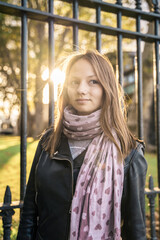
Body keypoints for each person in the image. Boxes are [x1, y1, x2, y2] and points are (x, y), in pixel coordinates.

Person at [17, 50, 147, 240]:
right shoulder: (48, 141)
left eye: (93, 81)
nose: (81, 90)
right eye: (74, 82)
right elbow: (30, 210)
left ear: (106, 87)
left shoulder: (129, 151)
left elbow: (135, 228)